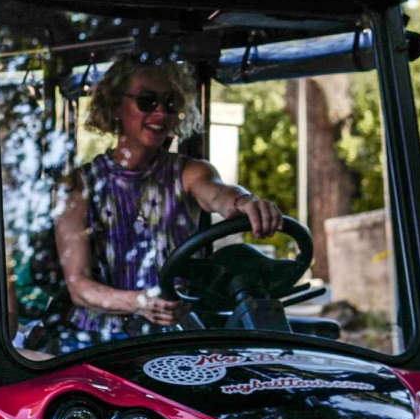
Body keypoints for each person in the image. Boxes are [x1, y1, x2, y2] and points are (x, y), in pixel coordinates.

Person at [52, 53, 283, 346]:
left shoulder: (188, 172)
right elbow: (79, 287)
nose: (161, 113)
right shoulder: (77, 186)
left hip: (174, 336)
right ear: (115, 106)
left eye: (170, 103)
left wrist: (245, 202)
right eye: (147, 101)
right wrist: (141, 302)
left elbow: (218, 195)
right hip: (96, 340)